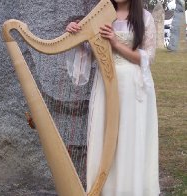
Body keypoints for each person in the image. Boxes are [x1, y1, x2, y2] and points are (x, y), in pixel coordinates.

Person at [65, 0, 160, 195]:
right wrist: (78, 38)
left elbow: (148, 58)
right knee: (104, 135)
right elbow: (90, 55)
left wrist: (115, 43)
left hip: (134, 88)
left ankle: (130, 188)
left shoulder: (144, 18)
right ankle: (103, 189)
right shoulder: (99, 16)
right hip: (105, 85)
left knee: (130, 137)